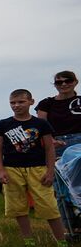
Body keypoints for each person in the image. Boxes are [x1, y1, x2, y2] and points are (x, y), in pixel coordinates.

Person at [0, 89, 67, 247]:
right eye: (13, 102)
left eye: (21, 102)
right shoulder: (3, 124)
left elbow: (49, 148)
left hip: (37, 168)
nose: (16, 105)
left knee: (49, 205)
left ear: (31, 102)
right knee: (18, 206)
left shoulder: (41, 124)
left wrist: (50, 170)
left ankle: (61, 242)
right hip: (12, 169)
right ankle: (29, 242)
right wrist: (1, 170)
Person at [36, 70, 81, 237]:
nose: (63, 84)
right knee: (62, 188)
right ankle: (70, 228)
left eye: (67, 81)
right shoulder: (47, 104)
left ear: (75, 82)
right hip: (58, 144)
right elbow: (41, 126)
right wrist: (50, 141)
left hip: (79, 143)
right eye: (59, 82)